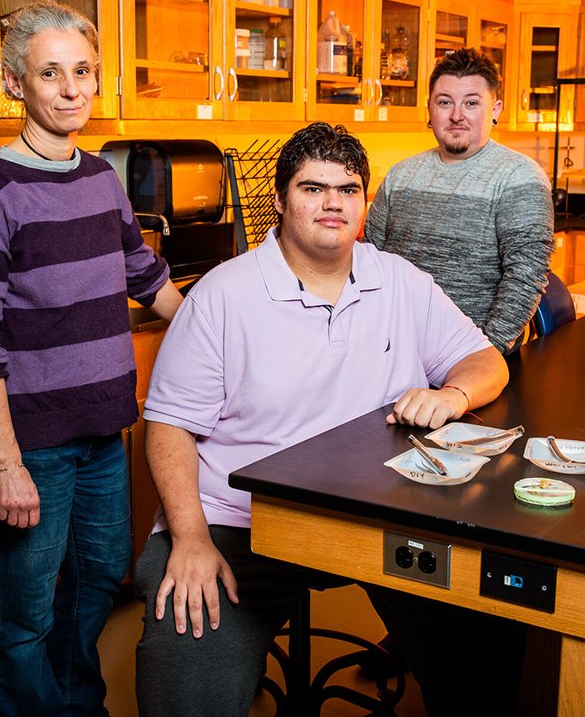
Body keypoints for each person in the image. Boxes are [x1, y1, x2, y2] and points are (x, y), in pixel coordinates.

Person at [133, 122, 511, 717]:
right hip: (240, 526)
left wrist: (455, 395)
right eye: (312, 188)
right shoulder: (220, 297)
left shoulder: (400, 281)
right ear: (280, 202)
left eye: (348, 189)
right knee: (186, 674)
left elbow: (485, 360)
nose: (333, 202)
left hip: (377, 519)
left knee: (484, 642)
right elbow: (169, 426)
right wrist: (189, 537)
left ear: (364, 203)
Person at [0, 0, 182, 717]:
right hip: (27, 442)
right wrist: (7, 464)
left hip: (102, 431)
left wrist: (230, 323)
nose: (72, 89)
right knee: (26, 611)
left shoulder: (101, 177)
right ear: (15, 82)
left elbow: (146, 276)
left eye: (84, 71)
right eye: (51, 72)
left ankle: (78, 706)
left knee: (102, 579)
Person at [365, 47, 555, 354]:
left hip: (471, 359)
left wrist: (483, 357)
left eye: (471, 103)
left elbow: (524, 277)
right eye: (445, 102)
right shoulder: (400, 176)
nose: (456, 115)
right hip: (393, 351)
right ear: (429, 107)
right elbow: (369, 262)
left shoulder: (519, 177)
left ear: (496, 109)